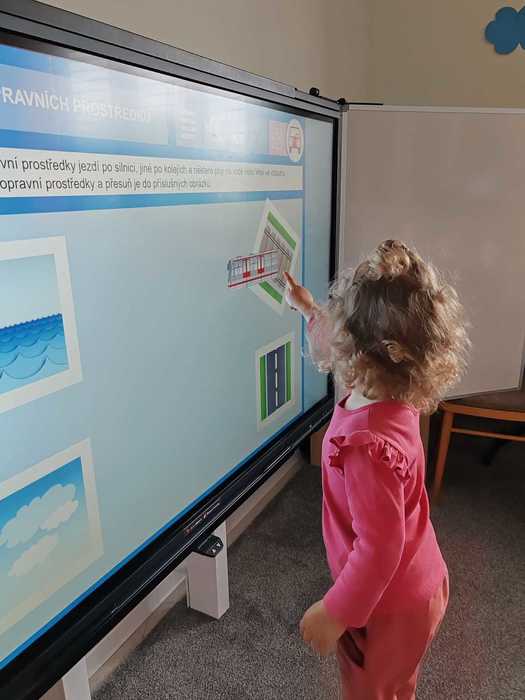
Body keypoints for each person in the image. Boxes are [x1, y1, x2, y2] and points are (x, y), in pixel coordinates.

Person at [284, 240, 470, 700]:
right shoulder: (394, 390)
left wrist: (335, 611)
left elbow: (380, 550)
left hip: (387, 607)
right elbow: (339, 347)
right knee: (395, 684)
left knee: (370, 690)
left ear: (359, 350)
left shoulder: (367, 448)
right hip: (418, 585)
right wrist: (306, 309)